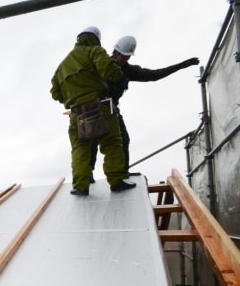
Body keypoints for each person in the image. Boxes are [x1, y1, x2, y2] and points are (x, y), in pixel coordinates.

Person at [89, 36, 200, 177]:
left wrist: (182, 65)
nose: (125, 60)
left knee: (124, 140)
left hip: (112, 110)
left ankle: (123, 171)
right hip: (95, 108)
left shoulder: (129, 71)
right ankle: (88, 174)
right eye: (123, 56)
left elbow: (154, 75)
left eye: (128, 57)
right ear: (116, 52)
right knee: (92, 140)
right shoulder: (101, 64)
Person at [50, 26, 136, 196]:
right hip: (101, 107)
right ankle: (116, 180)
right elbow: (109, 70)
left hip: (77, 114)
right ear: (96, 38)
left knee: (80, 148)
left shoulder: (63, 65)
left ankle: (81, 186)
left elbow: (55, 93)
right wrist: (120, 78)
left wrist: (72, 99)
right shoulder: (94, 51)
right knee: (111, 144)